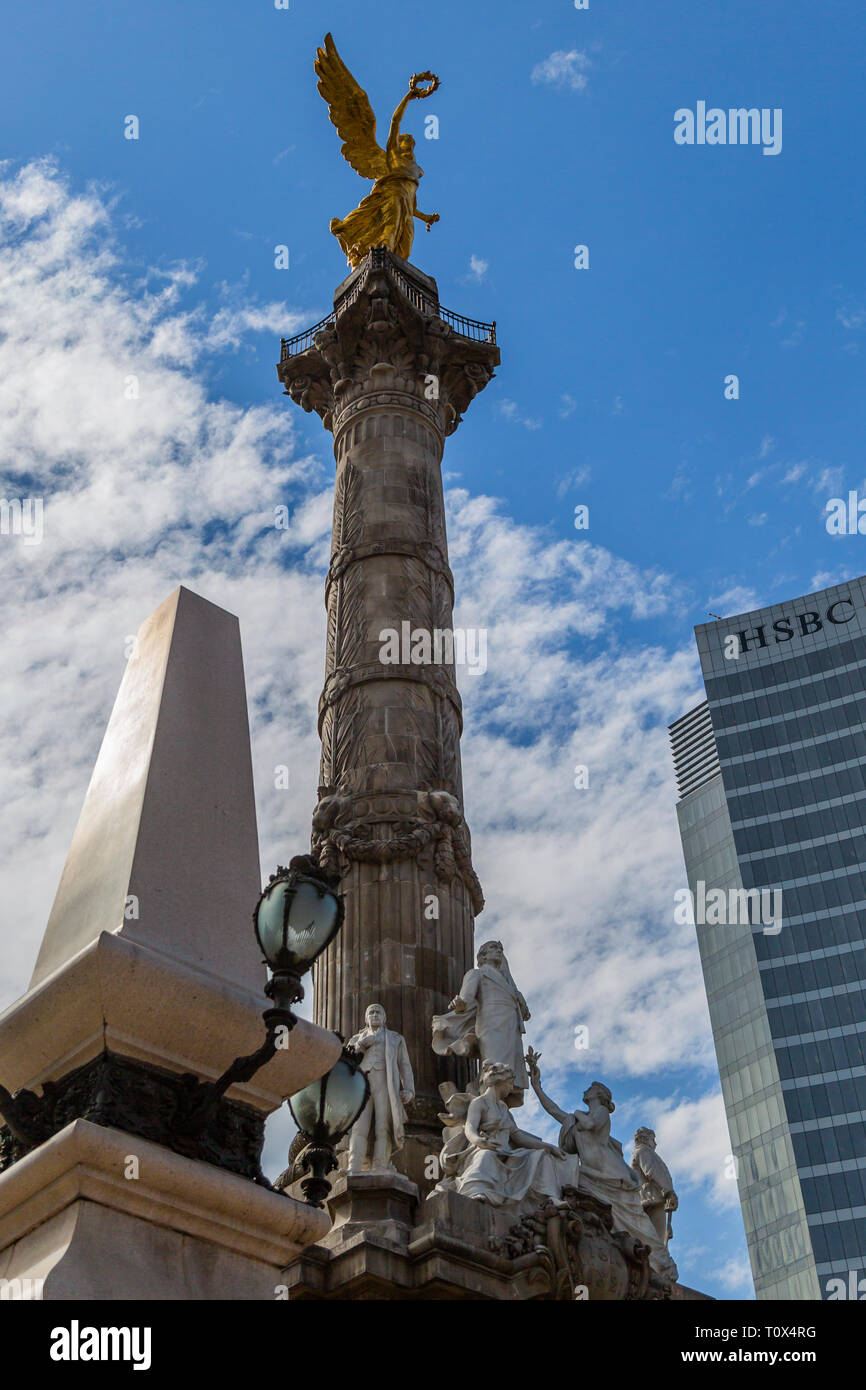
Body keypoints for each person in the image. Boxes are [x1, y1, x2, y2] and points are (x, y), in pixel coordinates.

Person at [346, 1004, 414, 1174]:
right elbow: (346, 1062)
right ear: (366, 1018)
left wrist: (409, 1089)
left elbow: (404, 1065)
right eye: (371, 1012)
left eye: (378, 1012)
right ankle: (353, 1166)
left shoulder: (395, 1038)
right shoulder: (356, 1040)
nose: (375, 1015)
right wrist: (361, 1045)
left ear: (384, 1018)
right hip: (361, 1084)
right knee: (358, 1126)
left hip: (386, 1083)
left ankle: (380, 1165)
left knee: (383, 1126)